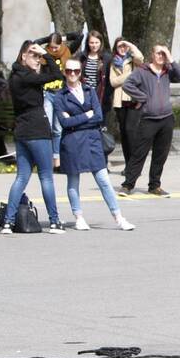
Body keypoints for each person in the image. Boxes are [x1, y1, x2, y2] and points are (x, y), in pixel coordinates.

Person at [53, 59, 134, 231]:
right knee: (73, 181)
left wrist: (76, 119)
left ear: (81, 72)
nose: (72, 74)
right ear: (64, 72)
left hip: (92, 141)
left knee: (104, 181)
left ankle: (119, 217)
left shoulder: (90, 91)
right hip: (72, 142)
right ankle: (79, 217)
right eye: (69, 71)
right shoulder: (60, 96)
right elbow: (64, 123)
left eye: (76, 71)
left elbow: (98, 117)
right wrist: (86, 115)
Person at [2, 42, 64, 233]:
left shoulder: (14, 76)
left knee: (21, 177)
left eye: (38, 56)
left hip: (22, 131)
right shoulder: (28, 77)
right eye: (33, 55)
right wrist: (46, 53)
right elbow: (57, 75)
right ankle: (54, 221)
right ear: (23, 57)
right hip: (37, 130)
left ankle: (8, 222)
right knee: (46, 176)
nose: (38, 59)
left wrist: (38, 53)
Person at [119, 45, 180, 197]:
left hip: (166, 119)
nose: (161, 56)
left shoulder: (168, 71)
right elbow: (127, 85)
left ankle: (154, 185)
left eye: (163, 54)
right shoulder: (142, 71)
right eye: (158, 53)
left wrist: (171, 59)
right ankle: (128, 184)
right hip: (148, 119)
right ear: (152, 55)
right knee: (139, 153)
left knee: (160, 154)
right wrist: (143, 98)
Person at [35, 31, 82, 168]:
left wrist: (62, 38)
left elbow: (79, 37)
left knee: (58, 128)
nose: (54, 50)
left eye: (56, 47)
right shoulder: (45, 54)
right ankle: (45, 156)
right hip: (47, 93)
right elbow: (34, 43)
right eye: (52, 47)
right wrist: (48, 39)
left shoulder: (67, 51)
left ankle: (57, 157)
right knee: (47, 126)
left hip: (60, 93)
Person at [109, 38, 144, 168]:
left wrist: (130, 44)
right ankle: (128, 164)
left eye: (124, 46)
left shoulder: (133, 60)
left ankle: (135, 165)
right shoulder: (114, 62)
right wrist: (129, 75)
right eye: (120, 47)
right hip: (120, 101)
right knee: (124, 133)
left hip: (133, 100)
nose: (122, 49)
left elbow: (140, 58)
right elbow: (113, 82)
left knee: (131, 131)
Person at [74, 31, 113, 118]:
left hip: (100, 96)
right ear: (88, 43)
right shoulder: (81, 57)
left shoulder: (107, 58)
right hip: (84, 95)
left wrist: (107, 94)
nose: (94, 45)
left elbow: (110, 81)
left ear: (101, 43)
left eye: (96, 42)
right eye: (91, 42)